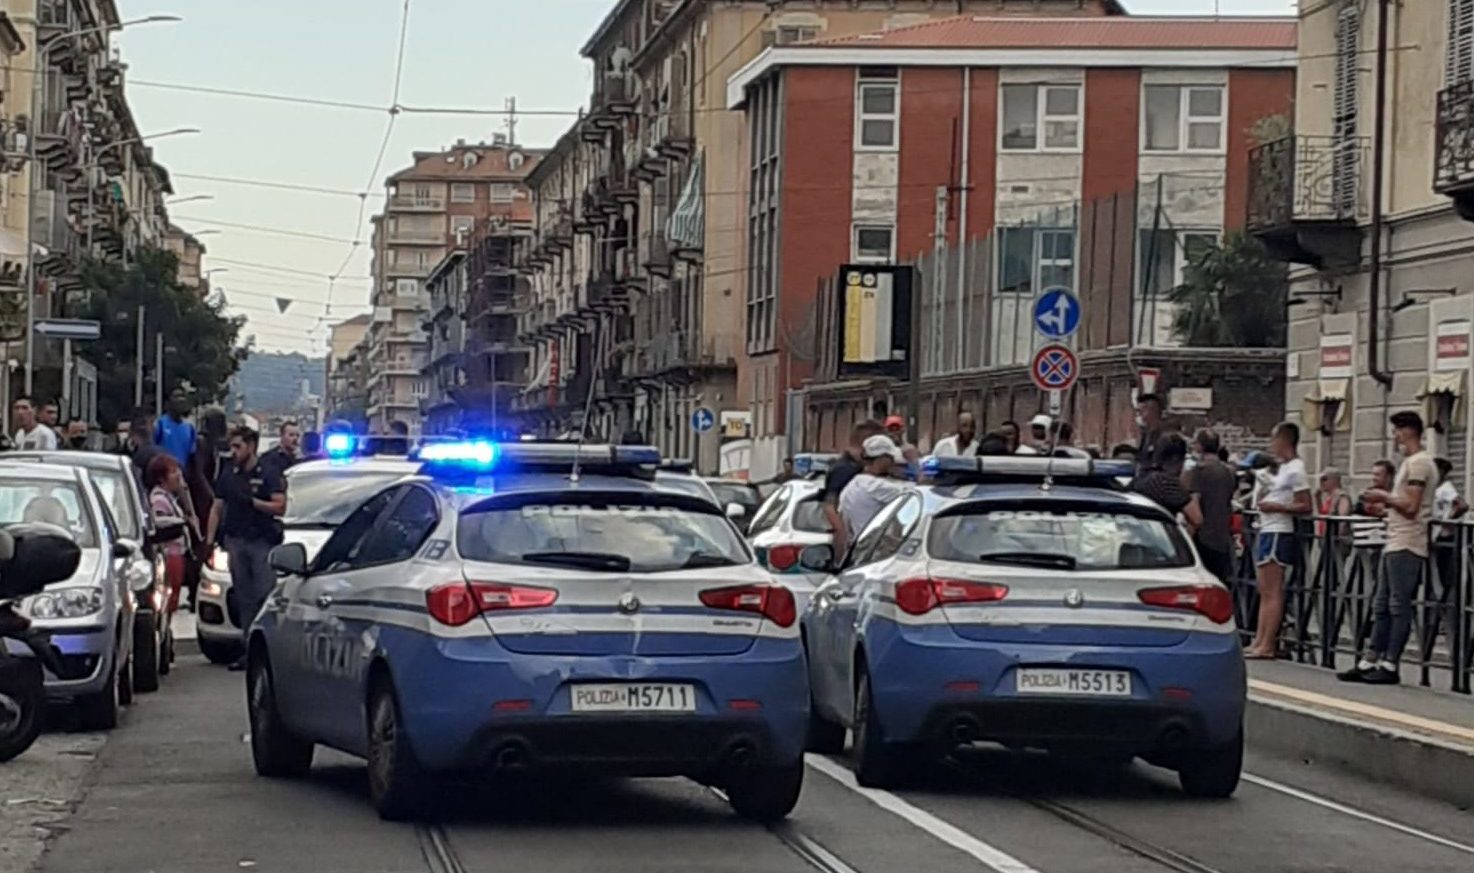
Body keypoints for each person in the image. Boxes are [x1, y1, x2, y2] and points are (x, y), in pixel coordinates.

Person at [1339, 412, 1437, 684]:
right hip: (1395, 539)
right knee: (1381, 603)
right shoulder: (1410, 463)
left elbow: (1411, 506)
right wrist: (1384, 509)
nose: (1394, 436)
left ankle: (1390, 664)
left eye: (1396, 431)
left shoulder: (1419, 464)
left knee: (1397, 605)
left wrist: (1384, 497)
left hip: (1407, 542)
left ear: (1408, 431)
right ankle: (1370, 659)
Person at [206, 426, 286, 670]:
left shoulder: (268, 473)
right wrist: (209, 541)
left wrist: (254, 503)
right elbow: (217, 507)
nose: (234, 451)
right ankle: (248, 650)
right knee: (244, 598)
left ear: (251, 446)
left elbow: (280, 507)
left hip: (261, 541)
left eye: (238, 446)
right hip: (236, 541)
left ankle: (268, 651)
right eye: (232, 446)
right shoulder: (229, 474)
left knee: (264, 594)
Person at [1248, 422, 1312, 660]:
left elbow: (1305, 504)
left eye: (1274, 439)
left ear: (1284, 440)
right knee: (1264, 589)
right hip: (1267, 527)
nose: (1272, 444)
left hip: (1279, 529)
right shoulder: (1282, 468)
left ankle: (1267, 643)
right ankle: (1259, 639)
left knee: (1273, 590)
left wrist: (1277, 507)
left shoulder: (1297, 469)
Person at [821, 419, 885, 555]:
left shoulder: (859, 467)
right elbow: (829, 506)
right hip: (852, 544)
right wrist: (842, 534)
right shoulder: (843, 469)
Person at [145, 455, 198, 615]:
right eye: (173, 472)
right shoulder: (159, 501)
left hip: (176, 554)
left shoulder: (170, 498)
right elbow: (163, 524)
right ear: (162, 478)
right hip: (170, 554)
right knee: (170, 598)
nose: (179, 475)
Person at [1186, 429, 1237, 584]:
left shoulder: (1197, 471)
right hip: (1222, 536)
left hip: (1203, 537)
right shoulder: (1229, 472)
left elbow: (1194, 504)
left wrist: (1188, 535)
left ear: (1200, 446)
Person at [837, 435, 911, 542]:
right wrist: (915, 463)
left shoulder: (852, 485)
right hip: (878, 546)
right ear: (882, 459)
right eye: (890, 458)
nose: (893, 462)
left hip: (859, 546)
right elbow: (917, 494)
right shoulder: (876, 486)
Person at [1132, 434, 1200, 526]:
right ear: (1176, 459)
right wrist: (1192, 490)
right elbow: (1197, 519)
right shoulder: (1168, 483)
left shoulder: (1141, 477)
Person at [153, 391, 197, 467]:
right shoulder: (159, 425)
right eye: (176, 396)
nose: (181, 399)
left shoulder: (190, 428)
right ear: (167, 403)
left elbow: (192, 455)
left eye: (183, 396)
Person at [1136, 393, 1165, 469]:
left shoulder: (1164, 436)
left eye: (1140, 411)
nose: (1139, 415)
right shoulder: (1146, 434)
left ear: (1150, 410)